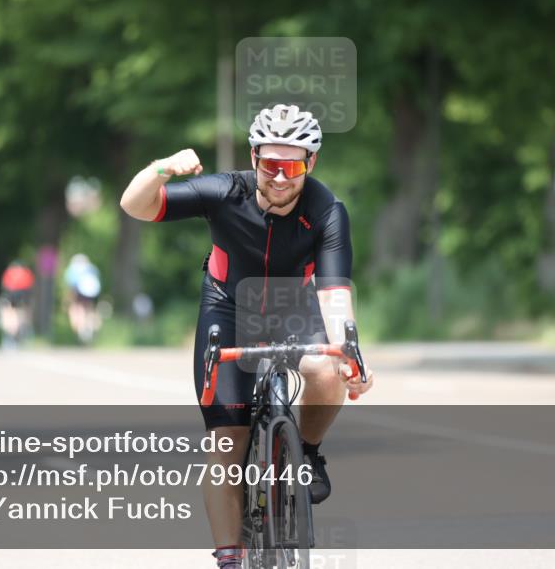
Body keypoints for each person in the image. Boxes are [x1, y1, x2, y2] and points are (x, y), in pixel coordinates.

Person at [119, 104, 374, 568]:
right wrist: (161, 169)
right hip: (228, 308)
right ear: (253, 156)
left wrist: (349, 354)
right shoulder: (223, 192)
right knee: (227, 441)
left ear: (310, 163)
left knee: (327, 368)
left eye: (292, 165)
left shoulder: (327, 211)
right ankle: (230, 559)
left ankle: (309, 454)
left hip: (292, 306)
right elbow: (134, 205)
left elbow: (334, 294)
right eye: (270, 164)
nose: (280, 177)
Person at [63, 253, 102, 342]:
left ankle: (81, 328)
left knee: (76, 308)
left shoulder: (73, 269)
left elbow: (71, 285)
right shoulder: (92, 269)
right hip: (93, 292)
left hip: (79, 291)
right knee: (90, 309)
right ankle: (92, 326)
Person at [0, 260, 35, 349]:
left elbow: (5, 285)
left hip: (11, 297)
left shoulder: (9, 272)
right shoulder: (26, 272)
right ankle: (20, 333)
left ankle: (11, 336)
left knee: (10, 316)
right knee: (21, 315)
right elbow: (30, 286)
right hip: (22, 297)